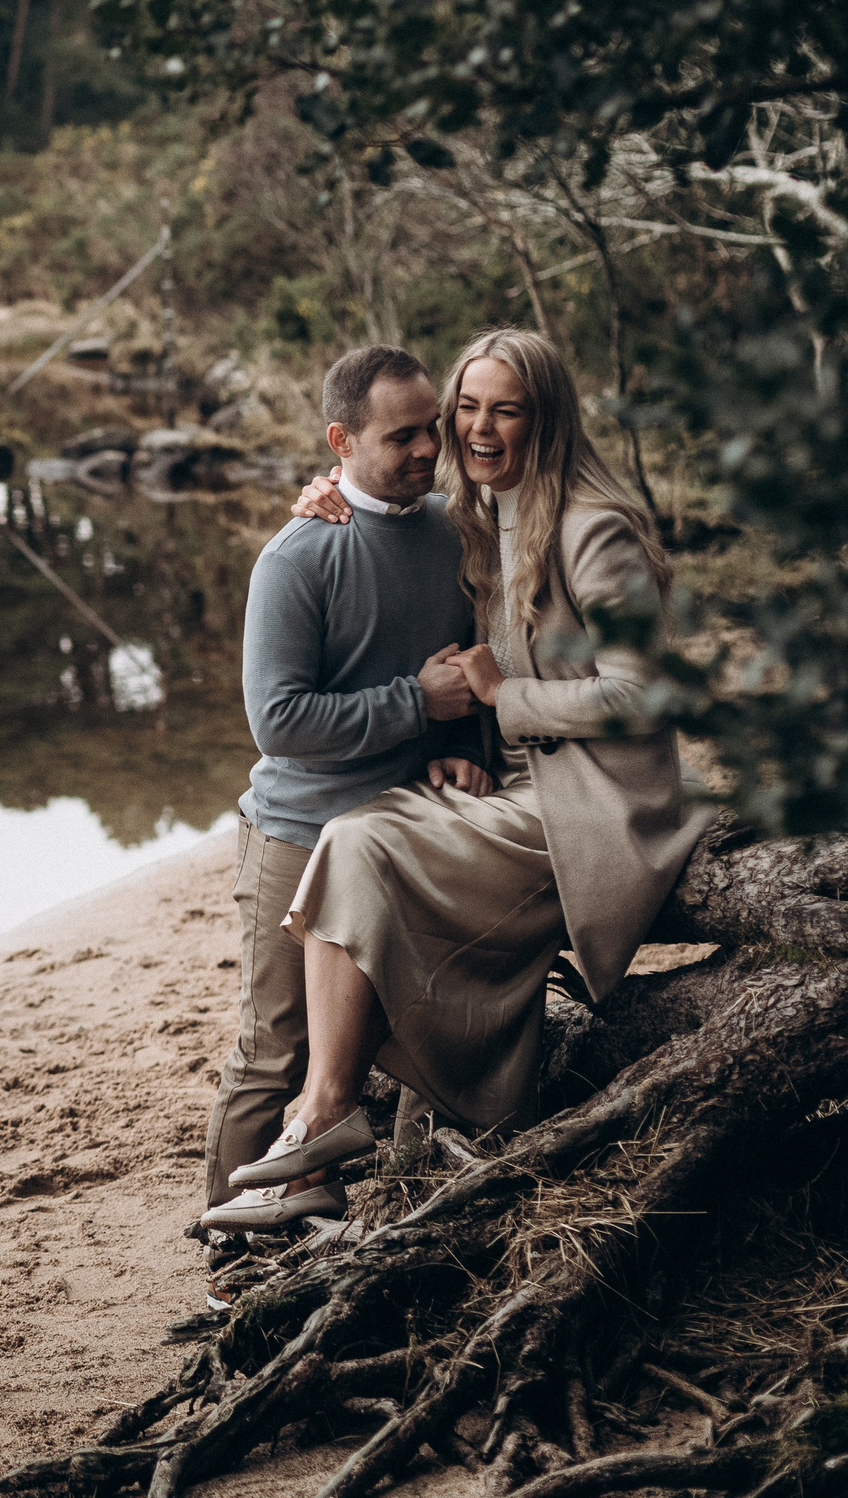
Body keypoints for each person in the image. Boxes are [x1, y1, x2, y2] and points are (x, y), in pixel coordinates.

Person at [221, 327, 715, 1205]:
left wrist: (489, 711)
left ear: (546, 418)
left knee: (363, 848)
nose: (468, 434)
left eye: (504, 411)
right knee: (291, 1001)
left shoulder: (570, 528)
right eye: (464, 412)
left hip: (587, 801)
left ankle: (335, 1110)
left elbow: (634, 693)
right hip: (412, 802)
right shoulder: (461, 522)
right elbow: (299, 703)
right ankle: (274, 1188)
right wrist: (332, 494)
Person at [200, 344, 489, 1260]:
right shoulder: (297, 555)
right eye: (400, 435)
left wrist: (458, 747)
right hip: (298, 832)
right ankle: (228, 1252)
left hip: (405, 833)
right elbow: (276, 721)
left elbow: (474, 663)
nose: (426, 449)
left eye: (431, 428)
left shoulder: (454, 530)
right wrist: (416, 701)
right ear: (341, 440)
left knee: (397, 1048)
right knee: (275, 1055)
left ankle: (344, 1241)